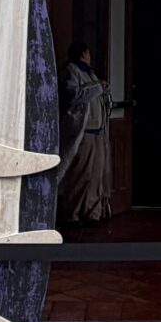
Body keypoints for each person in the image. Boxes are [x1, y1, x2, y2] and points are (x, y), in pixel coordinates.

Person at [58, 40, 115, 226]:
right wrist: (98, 87)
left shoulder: (90, 73)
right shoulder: (72, 71)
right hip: (83, 131)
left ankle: (92, 213)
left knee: (96, 174)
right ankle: (73, 213)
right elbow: (73, 95)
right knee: (81, 174)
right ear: (84, 53)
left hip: (97, 131)